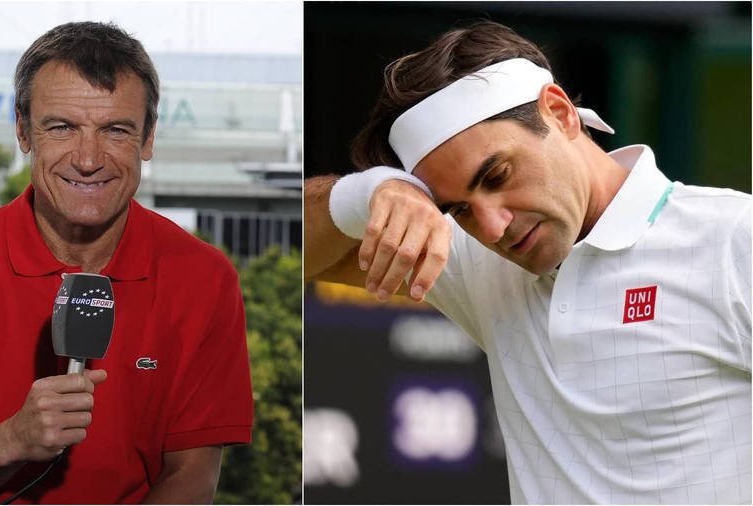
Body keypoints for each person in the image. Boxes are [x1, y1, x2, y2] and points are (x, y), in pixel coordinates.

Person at [305, 21, 751, 504]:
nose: (493, 227)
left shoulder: (734, 238)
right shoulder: (481, 257)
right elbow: (290, 247)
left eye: (497, 175)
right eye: (459, 209)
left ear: (559, 113)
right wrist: (372, 192)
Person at [0, 22, 253, 504]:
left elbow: (193, 475)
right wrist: (12, 440)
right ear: (22, 131)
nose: (88, 159)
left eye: (115, 130)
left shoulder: (206, 279)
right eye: (62, 128)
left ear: (148, 137)